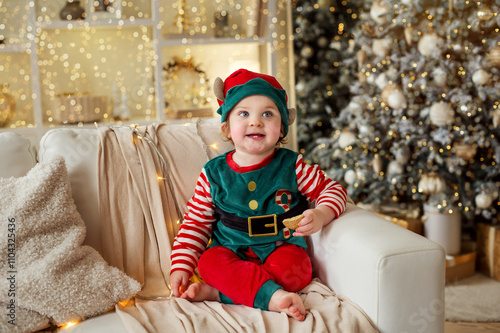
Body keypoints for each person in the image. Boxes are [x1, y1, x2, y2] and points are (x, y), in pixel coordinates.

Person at [169, 68, 348, 321]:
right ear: (227, 128)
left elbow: (334, 190)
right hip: (231, 251)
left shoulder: (293, 166)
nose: (256, 121)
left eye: (267, 113)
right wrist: (182, 265)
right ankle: (275, 298)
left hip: (280, 248)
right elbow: (196, 224)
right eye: (244, 113)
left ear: (282, 128)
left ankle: (222, 294)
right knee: (208, 262)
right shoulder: (214, 174)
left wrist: (321, 213)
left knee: (298, 270)